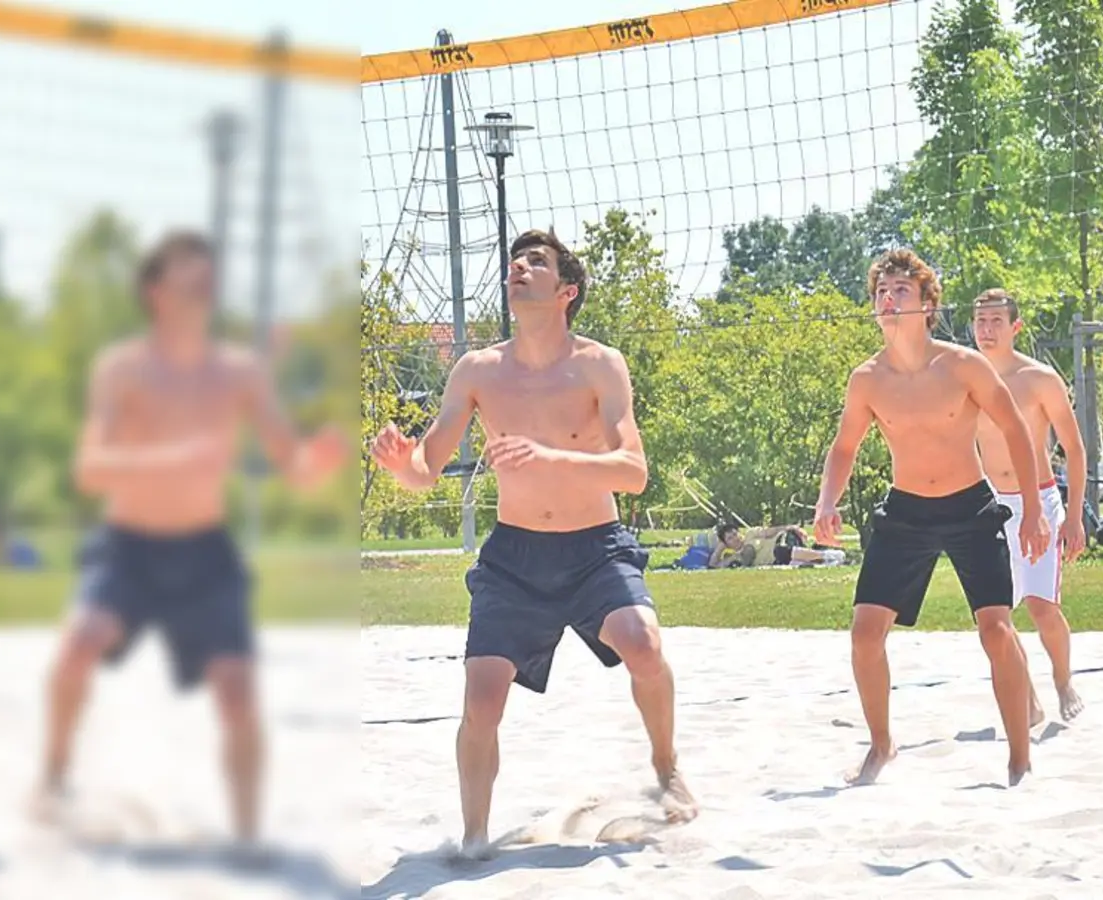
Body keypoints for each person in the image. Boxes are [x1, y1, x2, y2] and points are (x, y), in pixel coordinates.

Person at [370, 229, 696, 858]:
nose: (518, 266)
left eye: (536, 262)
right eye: (515, 261)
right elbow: (425, 468)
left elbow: (634, 472)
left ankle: (665, 765)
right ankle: (473, 839)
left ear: (566, 290)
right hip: (516, 558)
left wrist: (553, 456)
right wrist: (399, 464)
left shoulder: (600, 364)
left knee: (643, 644)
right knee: (483, 698)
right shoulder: (478, 370)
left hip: (594, 548)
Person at [36, 231, 347, 849]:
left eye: (208, 278)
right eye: (189, 277)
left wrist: (319, 460)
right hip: (128, 548)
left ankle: (249, 835)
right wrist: (170, 458)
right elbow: (90, 470)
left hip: (204, 553)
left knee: (236, 686)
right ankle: (54, 775)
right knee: (79, 647)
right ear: (156, 292)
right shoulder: (122, 367)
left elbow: (291, 461)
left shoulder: (239, 372)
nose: (204, 287)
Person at [813, 249, 1047, 788]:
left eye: (900, 291)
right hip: (906, 512)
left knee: (996, 629)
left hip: (970, 506)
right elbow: (844, 446)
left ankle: (1019, 758)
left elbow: (1015, 429)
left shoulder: (962, 364)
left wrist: (1033, 509)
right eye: (881, 292)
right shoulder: (867, 378)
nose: (889, 300)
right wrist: (827, 501)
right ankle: (881, 745)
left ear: (927, 304)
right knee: (865, 633)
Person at [970, 289, 1089, 724]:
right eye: (980, 321)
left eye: (996, 321)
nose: (986, 330)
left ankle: (1062, 680)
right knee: (997, 615)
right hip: (989, 505)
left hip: (1038, 500)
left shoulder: (1039, 379)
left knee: (1042, 608)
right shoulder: (966, 378)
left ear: (1015, 327)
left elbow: (1074, 450)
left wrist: (1074, 517)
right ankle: (1030, 698)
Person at [713, 523, 845, 568]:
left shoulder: (750, 534)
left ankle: (827, 555)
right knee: (790, 562)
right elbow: (713, 566)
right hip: (777, 559)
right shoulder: (735, 557)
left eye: (735, 534)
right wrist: (719, 549)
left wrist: (791, 527)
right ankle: (826, 561)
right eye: (730, 538)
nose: (735, 539)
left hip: (782, 541)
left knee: (781, 551)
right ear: (727, 544)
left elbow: (772, 531)